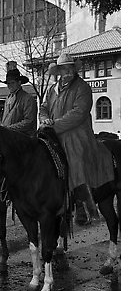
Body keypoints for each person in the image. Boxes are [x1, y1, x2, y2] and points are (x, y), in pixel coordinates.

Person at [39, 53, 114, 224]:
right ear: (58, 71)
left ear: (74, 68)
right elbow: (43, 108)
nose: (67, 71)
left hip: (77, 133)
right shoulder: (52, 89)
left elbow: (79, 114)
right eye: (63, 69)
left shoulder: (83, 87)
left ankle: (82, 202)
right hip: (53, 132)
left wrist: (54, 125)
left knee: (75, 157)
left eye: (69, 68)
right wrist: (44, 120)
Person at [0, 68, 37, 136]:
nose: (10, 85)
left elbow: (29, 122)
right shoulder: (8, 98)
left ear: (19, 82)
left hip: (23, 140)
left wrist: (9, 128)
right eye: (8, 83)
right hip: (9, 138)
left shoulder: (28, 99)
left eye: (12, 83)